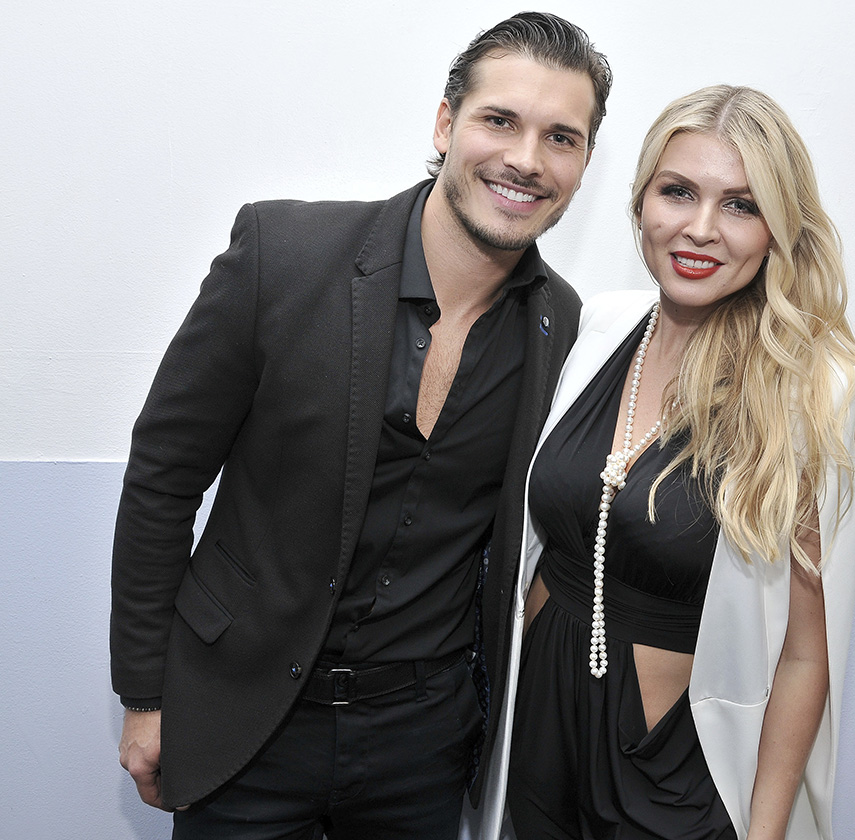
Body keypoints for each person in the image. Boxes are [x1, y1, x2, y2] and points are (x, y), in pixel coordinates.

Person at [111, 12, 612, 839]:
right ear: (447, 122)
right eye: (500, 120)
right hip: (245, 717)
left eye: (561, 137)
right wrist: (146, 695)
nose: (527, 159)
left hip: (426, 745)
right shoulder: (284, 251)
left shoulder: (564, 327)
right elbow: (163, 477)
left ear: (584, 162)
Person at [485, 86, 855, 840]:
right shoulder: (603, 326)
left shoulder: (816, 390)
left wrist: (767, 830)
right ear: (641, 198)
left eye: (741, 205)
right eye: (677, 191)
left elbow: (807, 657)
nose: (700, 229)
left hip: (671, 770)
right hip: (538, 742)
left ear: (780, 229)